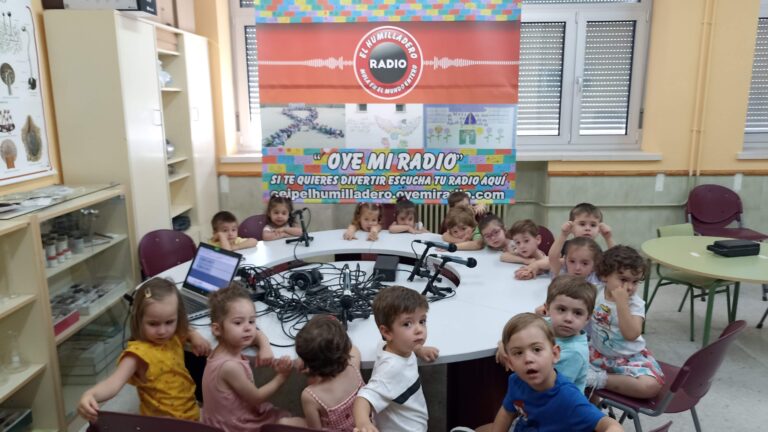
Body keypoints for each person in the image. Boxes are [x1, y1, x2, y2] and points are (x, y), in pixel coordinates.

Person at [77, 278, 212, 422]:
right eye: (153, 324)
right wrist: (90, 394)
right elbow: (113, 383)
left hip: (191, 412)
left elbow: (184, 328)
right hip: (163, 424)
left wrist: (194, 335)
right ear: (139, 319)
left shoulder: (173, 336)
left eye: (169, 322)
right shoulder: (137, 355)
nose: (162, 331)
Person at [483, 313, 623, 432]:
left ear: (555, 354)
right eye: (518, 353)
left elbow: (611, 425)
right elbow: (507, 411)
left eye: (537, 349)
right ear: (510, 363)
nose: (528, 359)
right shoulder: (516, 381)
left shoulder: (568, 398)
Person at [202, 283, 305, 431]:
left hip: (223, 417)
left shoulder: (223, 347)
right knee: (295, 422)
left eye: (251, 321)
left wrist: (264, 346)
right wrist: (281, 376)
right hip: (235, 426)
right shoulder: (229, 366)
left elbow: (254, 333)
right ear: (217, 329)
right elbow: (256, 397)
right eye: (238, 322)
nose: (248, 328)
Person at [353, 286, 439, 432]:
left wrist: (418, 349)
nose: (419, 329)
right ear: (386, 332)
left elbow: (406, 343)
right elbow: (363, 397)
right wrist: (363, 423)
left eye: (422, 321)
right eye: (407, 324)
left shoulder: (391, 345)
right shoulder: (392, 369)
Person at [587, 245, 664, 399]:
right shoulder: (595, 291)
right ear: (604, 276)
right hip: (596, 353)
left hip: (629, 358)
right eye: (623, 280)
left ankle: (600, 380)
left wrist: (622, 304)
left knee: (650, 387)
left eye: (635, 282)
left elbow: (631, 334)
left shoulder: (635, 304)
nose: (629, 287)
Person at [499, 275, 596, 393]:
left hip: (555, 404)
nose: (568, 318)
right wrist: (504, 344)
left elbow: (549, 387)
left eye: (577, 313)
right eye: (561, 309)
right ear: (547, 308)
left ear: (587, 318)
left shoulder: (574, 353)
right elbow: (518, 334)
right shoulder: (545, 324)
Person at [295, 315, 364, 431]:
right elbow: (351, 348)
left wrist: (308, 363)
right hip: (362, 425)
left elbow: (314, 429)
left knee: (286, 422)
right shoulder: (353, 365)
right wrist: (337, 330)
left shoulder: (310, 396)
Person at [534, 237, 603, 315]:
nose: (577, 268)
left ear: (594, 265)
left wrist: (608, 238)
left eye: (584, 263)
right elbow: (552, 257)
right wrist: (547, 308)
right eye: (572, 261)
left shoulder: (597, 282)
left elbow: (615, 267)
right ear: (565, 260)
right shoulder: (561, 276)